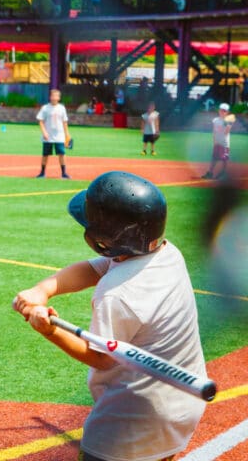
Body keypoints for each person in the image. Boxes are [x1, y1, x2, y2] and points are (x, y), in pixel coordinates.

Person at [13, 171, 207, 461]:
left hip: (135, 417)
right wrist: (42, 290)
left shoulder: (117, 295)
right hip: (182, 401)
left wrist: (49, 330)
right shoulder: (165, 253)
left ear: (102, 240)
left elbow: (101, 358)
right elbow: (93, 269)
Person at [35, 89, 71, 179]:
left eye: (56, 96)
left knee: (61, 154)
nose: (54, 97)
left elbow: (65, 122)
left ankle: (64, 173)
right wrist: (44, 132)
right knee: (45, 154)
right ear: (50, 97)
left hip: (59, 136)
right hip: (48, 136)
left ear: (59, 98)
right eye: (53, 96)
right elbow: (40, 120)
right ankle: (42, 173)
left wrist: (67, 135)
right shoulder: (45, 108)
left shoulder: (61, 108)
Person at [202, 102, 234, 180]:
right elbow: (214, 131)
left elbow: (227, 131)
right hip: (217, 142)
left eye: (224, 111)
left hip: (224, 143)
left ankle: (223, 173)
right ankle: (210, 173)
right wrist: (214, 141)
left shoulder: (229, 120)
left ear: (227, 112)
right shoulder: (215, 120)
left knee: (224, 158)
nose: (222, 112)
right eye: (221, 110)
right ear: (219, 110)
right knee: (214, 157)